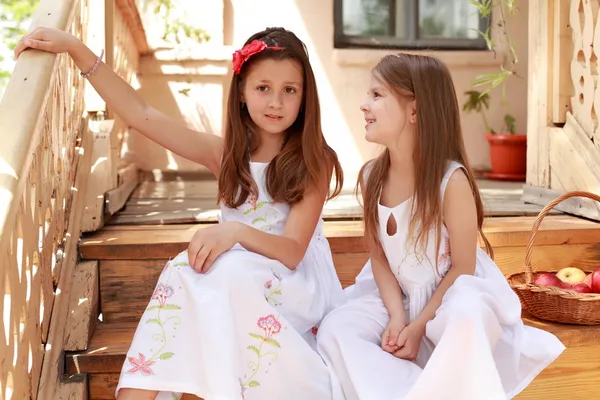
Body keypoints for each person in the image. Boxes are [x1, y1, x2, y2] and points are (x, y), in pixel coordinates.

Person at [15, 26, 346, 400]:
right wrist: (77, 50)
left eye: (290, 90)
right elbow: (141, 114)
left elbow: (292, 251)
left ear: (305, 98)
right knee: (186, 269)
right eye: (263, 88)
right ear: (241, 91)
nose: (276, 102)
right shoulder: (224, 156)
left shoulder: (313, 160)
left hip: (291, 280)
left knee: (221, 272)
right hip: (230, 274)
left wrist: (233, 234)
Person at [315, 53, 565, 400]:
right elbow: (379, 259)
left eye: (377, 95)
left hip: (450, 293)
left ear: (414, 111)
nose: (363, 105)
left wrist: (421, 324)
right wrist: (399, 317)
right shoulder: (372, 176)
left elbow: (462, 268)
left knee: (467, 316)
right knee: (336, 329)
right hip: (399, 294)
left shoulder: (451, 181)